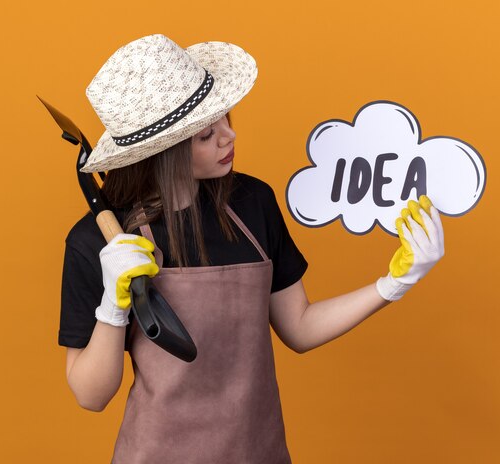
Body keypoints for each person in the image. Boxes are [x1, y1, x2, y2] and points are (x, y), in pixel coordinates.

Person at [58, 34, 444, 463]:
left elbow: (298, 326)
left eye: (226, 119)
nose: (229, 136)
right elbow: (90, 396)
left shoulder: (252, 202)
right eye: (206, 134)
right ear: (161, 152)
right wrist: (112, 307)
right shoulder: (96, 242)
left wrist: (394, 284)